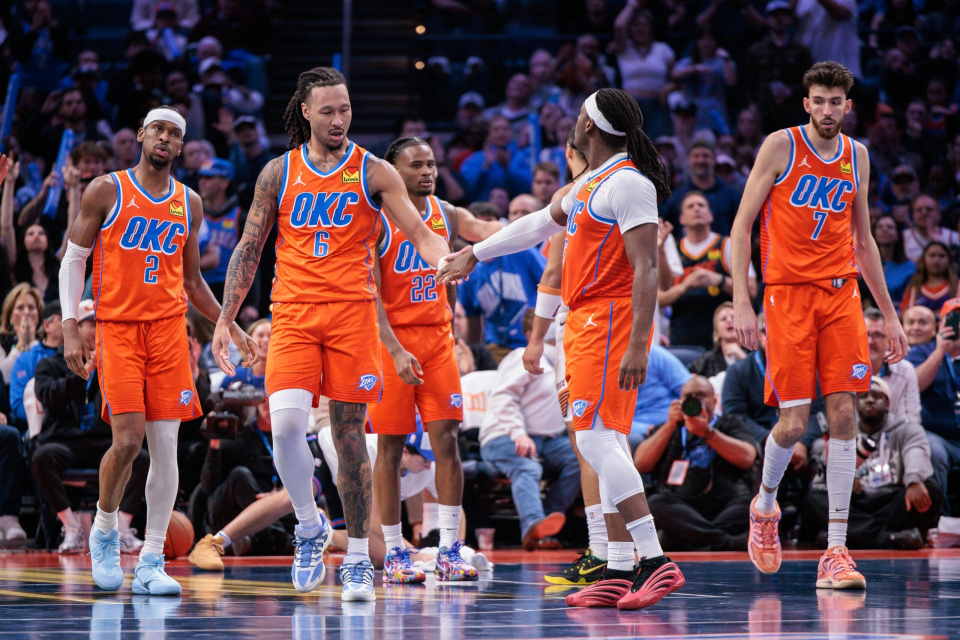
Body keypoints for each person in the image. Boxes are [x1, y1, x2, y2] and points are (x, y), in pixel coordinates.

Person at [209, 67, 452, 601]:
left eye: (345, 109)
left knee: (348, 438)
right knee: (286, 427)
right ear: (306, 112)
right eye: (328, 111)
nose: (339, 119)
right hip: (293, 312)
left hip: (352, 315)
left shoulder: (374, 171)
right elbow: (249, 247)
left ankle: (359, 558)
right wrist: (226, 318)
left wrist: (447, 259)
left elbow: (419, 231)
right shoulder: (278, 172)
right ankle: (309, 525)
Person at [439, 88, 685, 611]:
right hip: (584, 320)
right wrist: (476, 253)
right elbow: (535, 225)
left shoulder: (629, 183)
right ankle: (618, 568)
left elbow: (646, 268)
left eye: (578, 115)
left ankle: (655, 560)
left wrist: (639, 344)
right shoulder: (589, 183)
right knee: (604, 442)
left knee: (595, 440)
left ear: (590, 126)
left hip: (611, 319)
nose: (573, 122)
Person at [58, 106, 258, 596]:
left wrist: (229, 324)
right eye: (158, 130)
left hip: (169, 332)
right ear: (142, 135)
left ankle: (150, 559)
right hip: (119, 328)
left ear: (181, 145)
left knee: (165, 447)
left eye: (175, 133)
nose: (166, 138)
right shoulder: (107, 189)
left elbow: (192, 281)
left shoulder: (190, 202)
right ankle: (104, 529)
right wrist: (69, 326)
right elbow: (73, 260)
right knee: (128, 441)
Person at [730, 61, 908, 590]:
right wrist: (742, 300)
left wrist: (890, 315)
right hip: (787, 295)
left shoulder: (858, 155)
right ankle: (765, 506)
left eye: (836, 102)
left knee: (844, 413)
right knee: (791, 423)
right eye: (820, 101)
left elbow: (864, 240)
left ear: (847, 106)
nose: (828, 110)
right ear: (806, 103)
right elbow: (740, 228)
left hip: (841, 294)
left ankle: (835, 550)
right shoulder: (780, 146)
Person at [367, 136, 479, 585]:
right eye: (416, 165)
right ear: (393, 172)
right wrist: (394, 350)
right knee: (391, 447)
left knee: (447, 442)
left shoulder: (444, 213)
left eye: (431, 164)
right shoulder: (375, 220)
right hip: (392, 342)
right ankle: (396, 551)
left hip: (437, 340)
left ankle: (449, 549)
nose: (428, 172)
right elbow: (371, 295)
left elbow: (473, 244)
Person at [31, 299, 149, 554]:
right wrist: (86, 369)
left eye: (101, 324)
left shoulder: (117, 365)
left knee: (139, 457)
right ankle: (71, 527)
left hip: (103, 441)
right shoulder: (49, 365)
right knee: (42, 457)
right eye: (92, 324)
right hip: (65, 441)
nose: (98, 330)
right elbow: (50, 397)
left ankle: (122, 528)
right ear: (75, 329)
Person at [800, 377, 941, 549]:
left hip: (891, 500)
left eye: (877, 396)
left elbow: (916, 452)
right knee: (813, 500)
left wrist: (913, 480)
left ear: (888, 403)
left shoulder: (907, 429)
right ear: (855, 404)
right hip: (855, 503)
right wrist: (842, 483)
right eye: (863, 396)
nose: (870, 400)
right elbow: (823, 480)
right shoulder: (841, 432)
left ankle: (855, 536)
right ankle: (889, 538)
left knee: (931, 489)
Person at [480, 311, 580, 551]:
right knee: (527, 466)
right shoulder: (523, 356)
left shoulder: (564, 361)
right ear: (531, 335)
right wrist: (518, 433)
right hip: (504, 435)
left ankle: (545, 521)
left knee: (582, 458)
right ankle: (533, 523)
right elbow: (503, 397)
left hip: (549, 440)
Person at [635, 375, 758, 552]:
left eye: (700, 395)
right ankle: (726, 542)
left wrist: (707, 432)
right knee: (654, 503)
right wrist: (669, 425)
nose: (694, 401)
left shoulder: (730, 423)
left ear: (715, 401)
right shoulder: (668, 427)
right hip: (681, 506)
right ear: (679, 401)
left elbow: (747, 458)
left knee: (752, 505)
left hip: (725, 503)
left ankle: (685, 537)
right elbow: (641, 464)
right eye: (688, 396)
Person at [864, 309, 921, 424]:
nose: (870, 341)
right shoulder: (846, 369)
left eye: (877, 335)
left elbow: (911, 418)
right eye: (865, 335)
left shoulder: (905, 370)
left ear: (890, 340)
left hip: (894, 433)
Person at [687, 302, 749, 379]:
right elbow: (686, 378)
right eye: (723, 319)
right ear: (716, 332)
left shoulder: (754, 353)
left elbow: (761, 377)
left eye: (733, 317)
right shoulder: (706, 360)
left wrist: (743, 357)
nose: (729, 320)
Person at [899, 241, 957, 316]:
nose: (936, 260)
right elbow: (903, 315)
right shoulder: (914, 288)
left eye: (942, 256)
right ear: (923, 259)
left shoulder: (957, 287)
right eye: (932, 255)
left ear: (949, 260)